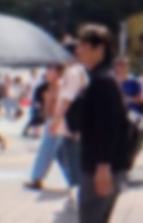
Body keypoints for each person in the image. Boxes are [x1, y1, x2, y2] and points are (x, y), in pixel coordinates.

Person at [75, 24, 130, 223]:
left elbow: (108, 127)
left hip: (100, 166)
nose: (78, 50)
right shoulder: (100, 79)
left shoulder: (102, 82)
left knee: (92, 217)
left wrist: (103, 166)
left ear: (99, 49)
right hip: (101, 163)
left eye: (83, 45)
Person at [53, 40, 88, 207]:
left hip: (71, 124)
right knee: (63, 154)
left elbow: (67, 99)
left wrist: (56, 120)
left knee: (71, 158)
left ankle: (79, 191)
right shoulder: (78, 71)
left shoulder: (74, 72)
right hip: (73, 123)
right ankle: (76, 188)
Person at [25, 65, 65, 190]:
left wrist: (49, 100)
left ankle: (37, 178)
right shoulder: (48, 87)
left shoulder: (60, 87)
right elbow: (47, 112)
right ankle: (76, 180)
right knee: (61, 153)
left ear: (58, 73)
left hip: (57, 122)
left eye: (50, 70)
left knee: (46, 150)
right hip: (52, 121)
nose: (46, 73)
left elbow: (57, 110)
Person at [23, 70, 48, 138]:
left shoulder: (39, 82)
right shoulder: (40, 83)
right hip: (36, 101)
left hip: (35, 101)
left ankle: (35, 132)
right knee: (36, 117)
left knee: (36, 118)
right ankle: (35, 132)